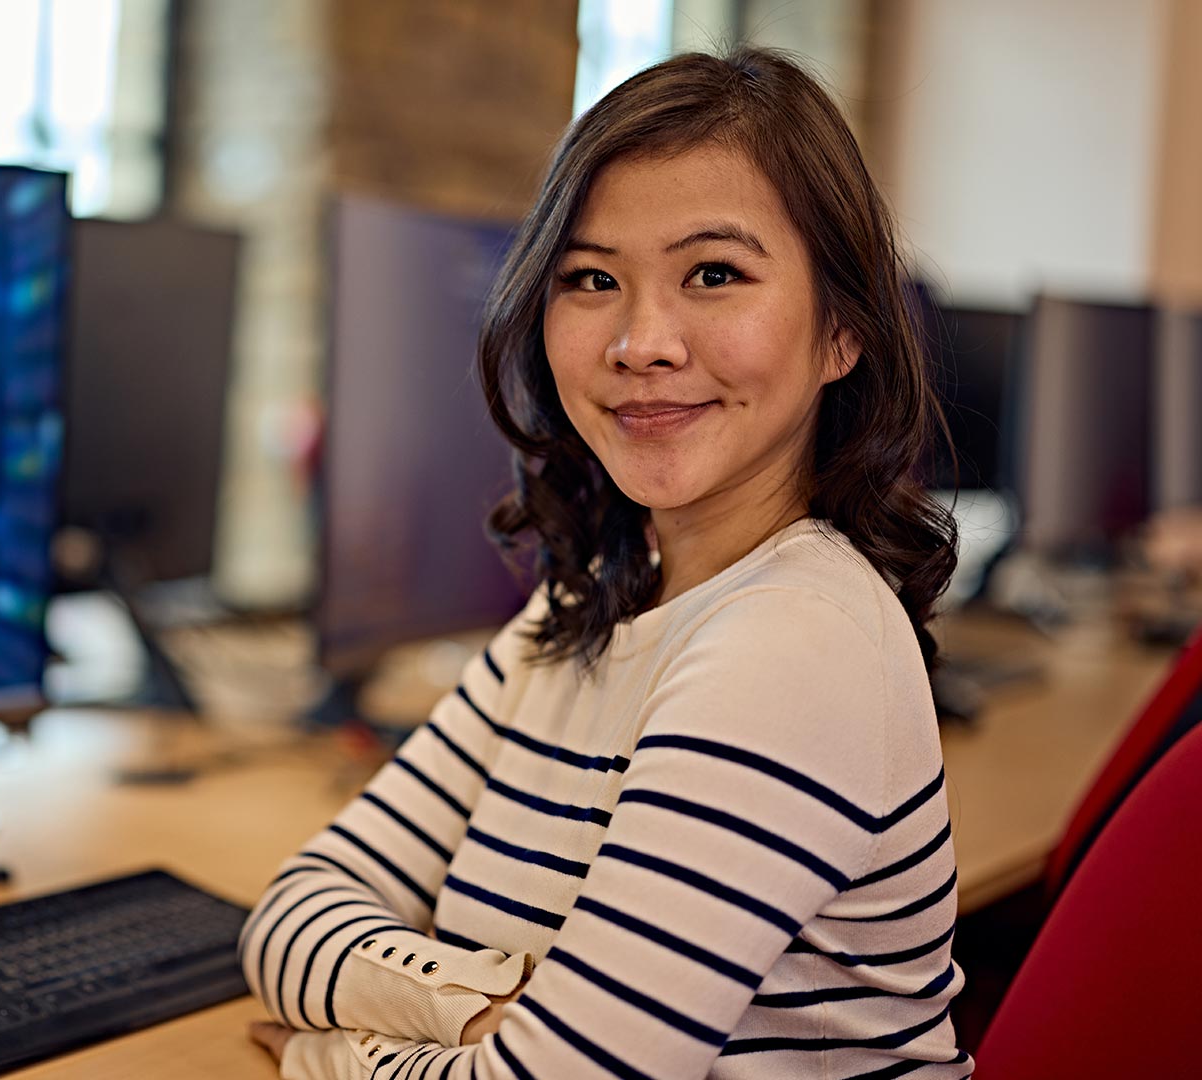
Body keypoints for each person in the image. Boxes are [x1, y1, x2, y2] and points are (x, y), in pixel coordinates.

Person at [243, 47, 971, 1079]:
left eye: (714, 274)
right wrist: (487, 1008)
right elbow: (289, 912)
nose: (641, 341)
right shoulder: (585, 613)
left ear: (843, 331)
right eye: (591, 279)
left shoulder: (794, 640)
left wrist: (330, 1052)